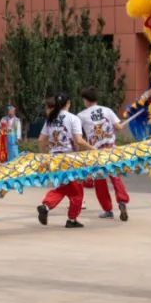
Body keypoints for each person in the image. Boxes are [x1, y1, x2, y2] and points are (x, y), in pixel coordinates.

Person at [37, 94, 90, 228]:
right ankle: (71, 219)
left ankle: (46, 206)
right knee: (77, 192)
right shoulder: (73, 118)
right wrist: (93, 149)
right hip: (69, 159)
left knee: (64, 187)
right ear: (68, 103)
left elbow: (41, 140)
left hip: (54, 160)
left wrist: (44, 155)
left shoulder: (51, 119)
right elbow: (79, 141)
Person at [78, 87, 129, 221]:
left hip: (97, 153)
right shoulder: (107, 110)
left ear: (86, 100)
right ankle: (122, 201)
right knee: (115, 177)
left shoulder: (82, 115)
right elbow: (118, 127)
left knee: (100, 182)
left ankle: (107, 209)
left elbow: (78, 136)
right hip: (111, 150)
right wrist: (118, 127)